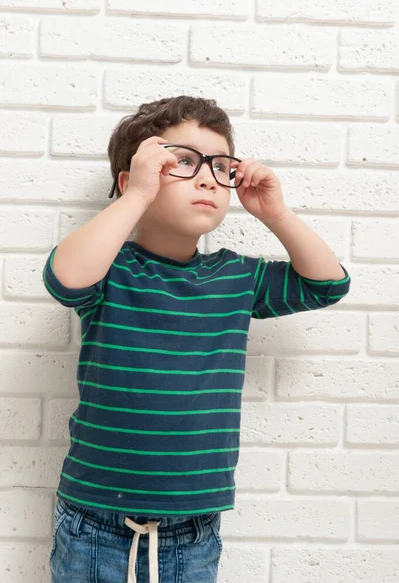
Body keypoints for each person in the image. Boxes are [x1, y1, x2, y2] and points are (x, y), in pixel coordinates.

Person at [43, 95, 351, 583]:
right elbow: (66, 280)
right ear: (132, 178)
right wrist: (136, 197)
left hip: (194, 529)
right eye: (182, 161)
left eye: (220, 166)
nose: (208, 176)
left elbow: (327, 284)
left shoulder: (234, 277)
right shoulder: (111, 268)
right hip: (93, 520)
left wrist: (275, 213)